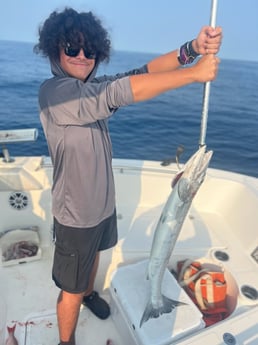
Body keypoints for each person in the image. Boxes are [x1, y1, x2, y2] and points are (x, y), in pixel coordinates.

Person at [34, 7, 222, 345]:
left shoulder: (90, 89)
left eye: (89, 50)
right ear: (53, 49)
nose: (82, 56)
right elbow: (118, 93)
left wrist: (192, 48)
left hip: (103, 206)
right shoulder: (55, 93)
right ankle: (66, 341)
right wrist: (193, 75)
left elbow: (143, 73)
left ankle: (90, 293)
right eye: (71, 47)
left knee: (96, 259)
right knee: (70, 290)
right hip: (75, 216)